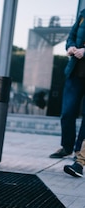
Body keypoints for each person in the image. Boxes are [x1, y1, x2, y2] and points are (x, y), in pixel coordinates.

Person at [50, 8, 85, 159]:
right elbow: (71, 36)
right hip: (75, 72)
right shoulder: (83, 14)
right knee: (67, 112)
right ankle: (67, 147)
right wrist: (70, 46)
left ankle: (79, 152)